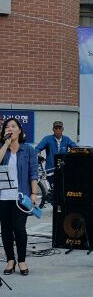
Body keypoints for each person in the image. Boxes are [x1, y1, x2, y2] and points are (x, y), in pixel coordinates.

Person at [0, 118, 38, 275]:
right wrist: (6, 144)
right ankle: (10, 260)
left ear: (20, 130)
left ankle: (21, 260)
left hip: (21, 197)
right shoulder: (2, 148)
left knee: (19, 228)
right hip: (3, 196)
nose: (10, 129)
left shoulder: (28, 149)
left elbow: (33, 173)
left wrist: (34, 193)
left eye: (13, 126)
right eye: (7, 127)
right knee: (5, 229)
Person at [35, 121, 77, 187]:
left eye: (60, 128)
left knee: (63, 188)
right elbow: (37, 149)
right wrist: (39, 155)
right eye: (56, 128)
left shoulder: (66, 139)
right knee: (52, 189)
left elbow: (75, 148)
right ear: (53, 129)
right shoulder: (47, 139)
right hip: (51, 169)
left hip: (63, 169)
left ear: (62, 129)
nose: (58, 130)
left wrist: (70, 154)